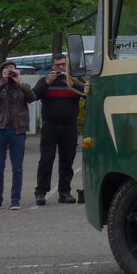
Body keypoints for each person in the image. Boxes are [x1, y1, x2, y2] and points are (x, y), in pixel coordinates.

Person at [32, 55, 85, 205]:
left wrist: (69, 82)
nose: (61, 68)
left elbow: (86, 93)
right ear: (52, 67)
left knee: (67, 160)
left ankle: (64, 192)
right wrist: (48, 82)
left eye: (63, 65)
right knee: (46, 160)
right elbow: (34, 95)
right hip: (50, 126)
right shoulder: (45, 80)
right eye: (58, 65)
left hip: (69, 126)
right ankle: (41, 192)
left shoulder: (73, 80)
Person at [0, 61, 35, 210]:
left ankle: (15, 200)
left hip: (17, 130)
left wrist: (19, 83)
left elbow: (32, 98)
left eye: (12, 69)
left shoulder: (23, 86)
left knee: (17, 167)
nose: (10, 71)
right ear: (2, 72)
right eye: (7, 70)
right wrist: (3, 82)